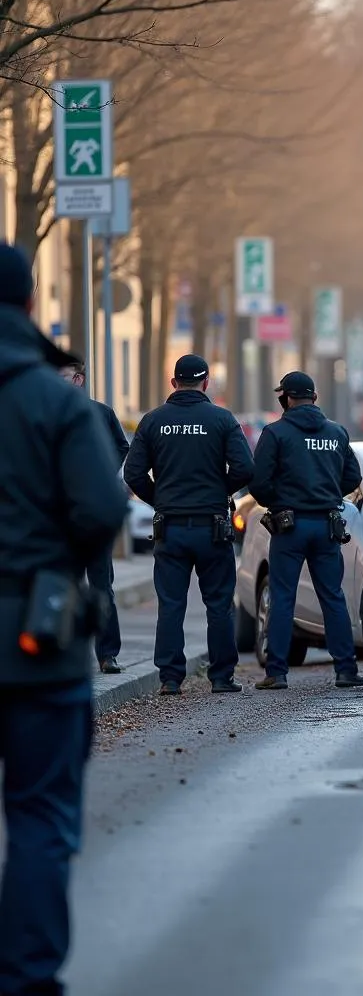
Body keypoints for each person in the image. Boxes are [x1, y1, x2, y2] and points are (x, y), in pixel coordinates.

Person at [0, 243, 128, 995]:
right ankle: (27, 978)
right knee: (42, 815)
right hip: (36, 634)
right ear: (25, 308)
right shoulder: (57, 402)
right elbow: (104, 508)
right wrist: (54, 562)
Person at [123, 354, 254, 695]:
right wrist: (218, 492)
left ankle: (170, 678)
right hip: (212, 526)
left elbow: (134, 473)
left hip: (171, 527)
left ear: (174, 382)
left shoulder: (153, 422)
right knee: (219, 603)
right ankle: (222, 677)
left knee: (171, 603)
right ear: (206, 382)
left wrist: (160, 499)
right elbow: (244, 468)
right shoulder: (222, 420)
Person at [249, 371, 363, 690]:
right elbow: (352, 478)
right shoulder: (337, 433)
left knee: (283, 597)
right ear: (314, 398)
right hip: (327, 524)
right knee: (332, 597)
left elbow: (258, 482)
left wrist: (280, 502)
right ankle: (346, 670)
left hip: (289, 527)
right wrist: (327, 495)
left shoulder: (275, 433)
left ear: (285, 398)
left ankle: (276, 673)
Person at [58, 360, 130, 674]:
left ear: (78, 379)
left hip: (92, 516)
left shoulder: (100, 413)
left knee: (102, 587)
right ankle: (66, 653)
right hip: (59, 517)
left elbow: (121, 446)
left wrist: (99, 474)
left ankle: (108, 654)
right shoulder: (47, 411)